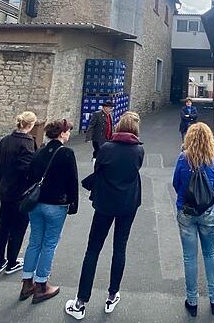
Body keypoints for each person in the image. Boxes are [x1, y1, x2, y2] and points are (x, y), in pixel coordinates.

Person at [65, 112, 145, 319]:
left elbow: (98, 167)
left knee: (93, 249)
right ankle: (112, 295)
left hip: (105, 203)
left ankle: (81, 301)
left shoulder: (107, 148)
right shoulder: (138, 150)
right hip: (128, 203)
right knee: (120, 247)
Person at [20, 119, 78, 304]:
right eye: (67, 131)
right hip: (56, 204)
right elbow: (72, 181)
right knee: (49, 244)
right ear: (61, 133)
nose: (68, 134)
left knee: (34, 241)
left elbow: (29, 175)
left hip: (36, 203)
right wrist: (73, 203)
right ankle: (42, 285)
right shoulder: (66, 153)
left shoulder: (40, 151)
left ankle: (27, 282)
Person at [172, 122, 214, 317]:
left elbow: (176, 183)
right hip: (207, 210)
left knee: (189, 257)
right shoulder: (213, 158)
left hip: (186, 210)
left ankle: (192, 301)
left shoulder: (183, 158)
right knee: (210, 253)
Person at [0, 111, 38, 275]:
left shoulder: (6, 140)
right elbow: (28, 167)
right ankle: (11, 261)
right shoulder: (28, 143)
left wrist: (3, 175)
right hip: (20, 192)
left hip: (5, 188)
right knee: (18, 226)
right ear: (31, 125)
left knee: (3, 225)